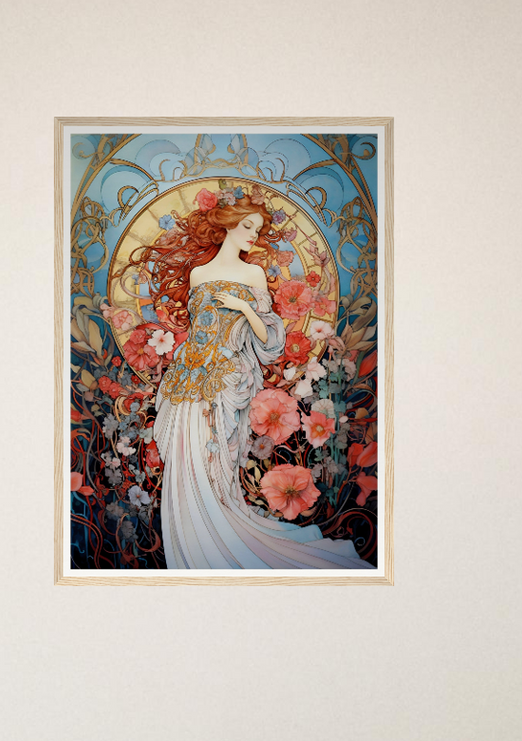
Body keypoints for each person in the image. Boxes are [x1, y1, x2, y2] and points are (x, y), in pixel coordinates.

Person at [120, 196, 366, 572]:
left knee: (215, 462)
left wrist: (245, 308)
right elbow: (197, 332)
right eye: (247, 226)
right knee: (187, 460)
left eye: (258, 229)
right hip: (188, 381)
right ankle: (190, 544)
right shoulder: (198, 274)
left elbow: (270, 340)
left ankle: (219, 542)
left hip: (226, 383)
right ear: (228, 225)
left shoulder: (252, 276)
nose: (254, 235)